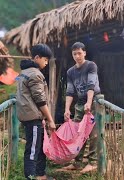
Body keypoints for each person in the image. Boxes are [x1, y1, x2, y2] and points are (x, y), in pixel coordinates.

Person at [16, 44, 56, 180]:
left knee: (38, 147)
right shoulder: (35, 74)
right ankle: (31, 177)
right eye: (45, 60)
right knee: (33, 149)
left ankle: (41, 175)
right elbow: (40, 100)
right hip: (32, 117)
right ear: (37, 57)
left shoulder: (24, 72)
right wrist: (50, 119)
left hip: (31, 116)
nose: (46, 63)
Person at [61, 42, 101, 173]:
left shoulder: (91, 65)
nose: (77, 56)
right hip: (80, 104)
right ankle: (77, 163)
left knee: (93, 133)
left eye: (79, 53)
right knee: (78, 133)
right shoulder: (70, 72)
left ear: (84, 53)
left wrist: (89, 103)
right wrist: (67, 109)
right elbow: (70, 91)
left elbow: (91, 85)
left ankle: (93, 162)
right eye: (74, 54)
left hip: (94, 100)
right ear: (72, 55)